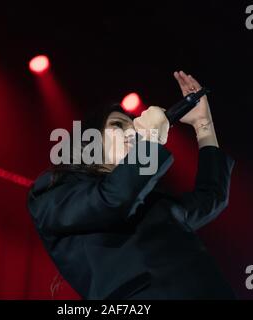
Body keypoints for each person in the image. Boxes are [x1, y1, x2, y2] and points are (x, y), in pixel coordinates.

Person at [27, 70, 236, 299]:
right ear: (90, 142)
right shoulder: (53, 189)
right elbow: (113, 199)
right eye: (118, 125)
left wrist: (203, 124)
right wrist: (151, 141)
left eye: (134, 128)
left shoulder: (150, 201)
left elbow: (211, 196)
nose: (132, 133)